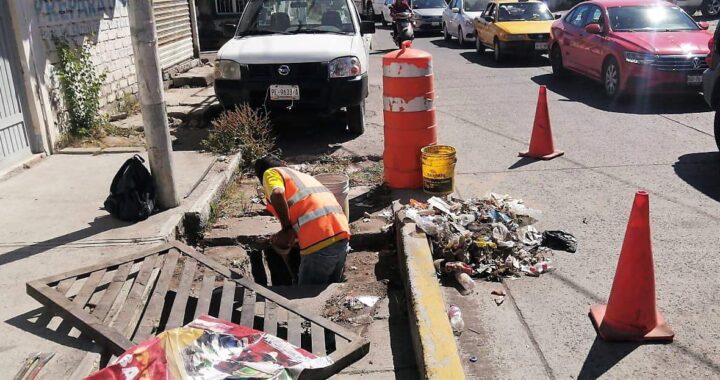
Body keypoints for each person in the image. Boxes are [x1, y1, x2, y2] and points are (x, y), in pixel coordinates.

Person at [254, 156, 351, 285]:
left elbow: (277, 193)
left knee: (307, 297)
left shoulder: (271, 173)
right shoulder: (302, 177)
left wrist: (286, 228)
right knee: (328, 295)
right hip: (341, 237)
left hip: (320, 241)